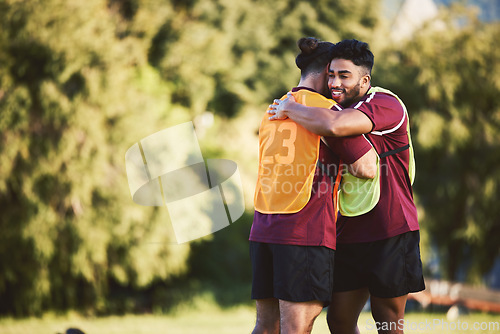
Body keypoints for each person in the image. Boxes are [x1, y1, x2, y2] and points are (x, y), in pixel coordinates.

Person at [268, 39, 425, 334]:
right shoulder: (333, 107)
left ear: (364, 79)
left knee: (388, 322)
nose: (335, 82)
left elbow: (335, 126)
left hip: (390, 230)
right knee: (338, 320)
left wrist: (289, 106)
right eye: (331, 75)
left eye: (344, 76)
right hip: (349, 231)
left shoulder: (385, 104)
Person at [250, 37, 377, 334]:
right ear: (326, 72)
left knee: (266, 326)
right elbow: (367, 167)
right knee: (297, 328)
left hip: (263, 229)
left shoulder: (274, 109)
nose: (337, 84)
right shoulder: (326, 112)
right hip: (303, 233)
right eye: (335, 75)